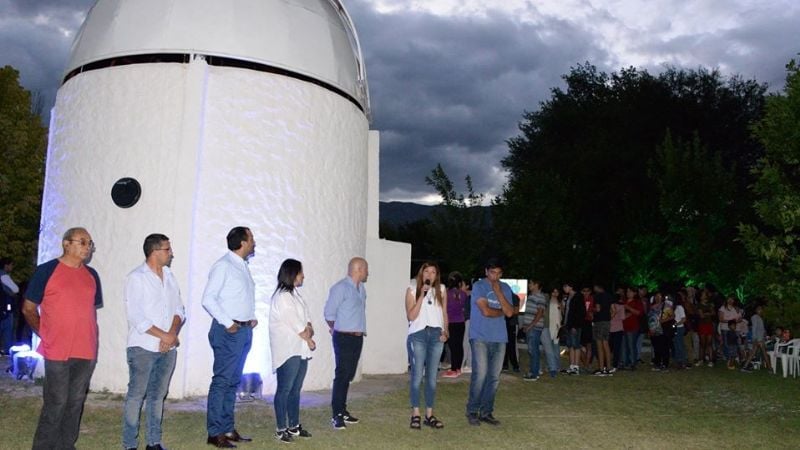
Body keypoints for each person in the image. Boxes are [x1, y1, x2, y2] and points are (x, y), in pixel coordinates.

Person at [21, 227, 103, 450]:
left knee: (75, 402)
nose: (88, 247)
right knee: (56, 403)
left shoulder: (92, 275)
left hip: (86, 350)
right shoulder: (46, 271)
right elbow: (29, 308)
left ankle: (66, 446)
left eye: (89, 243)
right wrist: (45, 334)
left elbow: (87, 310)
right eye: (82, 242)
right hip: (57, 349)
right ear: (66, 243)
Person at [122, 234, 186, 450]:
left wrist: (171, 334)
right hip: (143, 347)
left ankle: (154, 442)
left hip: (168, 347)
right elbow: (136, 316)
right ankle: (130, 444)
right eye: (167, 249)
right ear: (154, 252)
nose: (171, 253)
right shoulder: (136, 277)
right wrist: (163, 336)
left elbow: (179, 309)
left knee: (158, 396)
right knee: (136, 396)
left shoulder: (169, 276)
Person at [202, 226, 258, 448]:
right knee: (222, 381)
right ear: (243, 242)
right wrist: (230, 323)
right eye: (251, 238)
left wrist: (249, 318)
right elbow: (208, 299)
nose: (254, 241)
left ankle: (227, 428)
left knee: (233, 381)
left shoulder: (242, 266)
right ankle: (214, 432)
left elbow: (239, 297)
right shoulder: (223, 266)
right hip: (228, 332)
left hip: (242, 331)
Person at [269, 259, 315, 443]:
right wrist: (308, 335)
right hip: (288, 350)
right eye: (300, 272)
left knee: (295, 389)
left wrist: (308, 331)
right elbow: (300, 327)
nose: (303, 276)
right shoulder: (282, 297)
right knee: (285, 389)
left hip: (300, 348)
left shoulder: (295, 295)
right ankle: (281, 428)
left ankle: (294, 425)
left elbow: (308, 322)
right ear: (292, 274)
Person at [465, 258, 515, 426]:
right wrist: (502, 311)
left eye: (499, 273)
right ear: (486, 271)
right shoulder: (479, 286)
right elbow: (486, 311)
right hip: (480, 336)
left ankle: (486, 412)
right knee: (480, 375)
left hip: (500, 338)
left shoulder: (506, 288)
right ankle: (472, 411)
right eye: (493, 272)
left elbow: (510, 313)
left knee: (494, 377)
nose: (495, 276)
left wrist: (499, 292)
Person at [324, 257, 369, 430]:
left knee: (348, 375)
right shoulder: (340, 288)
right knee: (342, 375)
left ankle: (342, 410)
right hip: (344, 337)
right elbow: (329, 313)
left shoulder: (361, 288)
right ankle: (336, 414)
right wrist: (337, 329)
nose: (367, 272)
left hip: (357, 337)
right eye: (365, 269)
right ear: (358, 269)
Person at [405, 262, 448, 429]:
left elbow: (444, 313)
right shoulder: (411, 288)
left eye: (433, 272)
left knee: (432, 377)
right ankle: (415, 413)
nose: (430, 275)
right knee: (417, 376)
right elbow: (411, 316)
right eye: (427, 271)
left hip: (436, 335)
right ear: (421, 273)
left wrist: (446, 331)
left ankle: (429, 414)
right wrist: (421, 295)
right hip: (418, 335)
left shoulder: (442, 290)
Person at [442, 272, 467, 378]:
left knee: (452, 346)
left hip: (450, 322)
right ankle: (458, 368)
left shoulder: (446, 294)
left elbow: (445, 310)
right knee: (459, 345)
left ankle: (453, 369)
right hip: (461, 322)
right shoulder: (463, 294)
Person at [521, 280, 546, 381]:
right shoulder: (531, 296)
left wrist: (530, 325)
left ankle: (534, 373)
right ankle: (533, 371)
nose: (529, 285)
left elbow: (540, 313)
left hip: (534, 328)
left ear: (536, 284)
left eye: (531, 283)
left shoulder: (540, 297)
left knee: (533, 350)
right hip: (530, 327)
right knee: (531, 350)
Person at [562, 282, 585, 375]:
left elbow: (580, 312)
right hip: (568, 324)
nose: (564, 288)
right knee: (570, 345)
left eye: (565, 286)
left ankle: (576, 367)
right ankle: (571, 366)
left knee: (576, 345)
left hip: (575, 325)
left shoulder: (578, 296)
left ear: (571, 287)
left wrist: (575, 325)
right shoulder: (568, 297)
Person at [592, 283, 613, 376]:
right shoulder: (609, 296)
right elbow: (614, 310)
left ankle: (601, 368)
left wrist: (591, 310)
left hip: (599, 321)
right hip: (607, 322)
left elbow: (598, 309)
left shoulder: (597, 296)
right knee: (606, 344)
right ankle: (608, 368)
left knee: (599, 345)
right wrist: (608, 318)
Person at [741, 304, 770, 371]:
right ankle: (770, 368)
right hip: (758, 339)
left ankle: (745, 367)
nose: (760, 310)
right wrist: (754, 338)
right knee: (763, 353)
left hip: (760, 338)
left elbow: (761, 329)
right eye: (758, 309)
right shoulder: (755, 317)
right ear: (756, 310)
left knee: (755, 353)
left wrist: (764, 335)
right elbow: (754, 328)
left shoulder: (760, 318)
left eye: (761, 309)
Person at [541, 288, 562, 377]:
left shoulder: (559, 301)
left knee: (555, 347)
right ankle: (551, 365)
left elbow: (560, 315)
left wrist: (559, 325)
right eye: (553, 291)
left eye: (557, 291)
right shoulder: (548, 301)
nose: (555, 293)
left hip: (556, 326)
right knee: (549, 347)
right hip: (549, 325)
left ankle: (556, 366)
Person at [0, 257, 20, 355]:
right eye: (11, 265)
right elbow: (15, 289)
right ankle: (8, 351)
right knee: (7, 328)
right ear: (6, 265)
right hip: (5, 306)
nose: (12, 267)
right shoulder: (4, 275)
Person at [622, 287, 642, 370]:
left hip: (633, 326)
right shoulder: (624, 302)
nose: (628, 293)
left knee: (631, 345)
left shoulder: (637, 302)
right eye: (627, 291)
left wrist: (628, 308)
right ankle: (624, 362)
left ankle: (633, 363)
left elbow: (639, 313)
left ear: (634, 293)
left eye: (630, 292)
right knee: (624, 346)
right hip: (623, 326)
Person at [609, 290, 626, 372]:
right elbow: (623, 317)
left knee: (610, 348)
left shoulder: (610, 306)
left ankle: (608, 364)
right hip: (618, 328)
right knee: (617, 348)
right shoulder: (621, 306)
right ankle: (615, 365)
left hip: (610, 328)